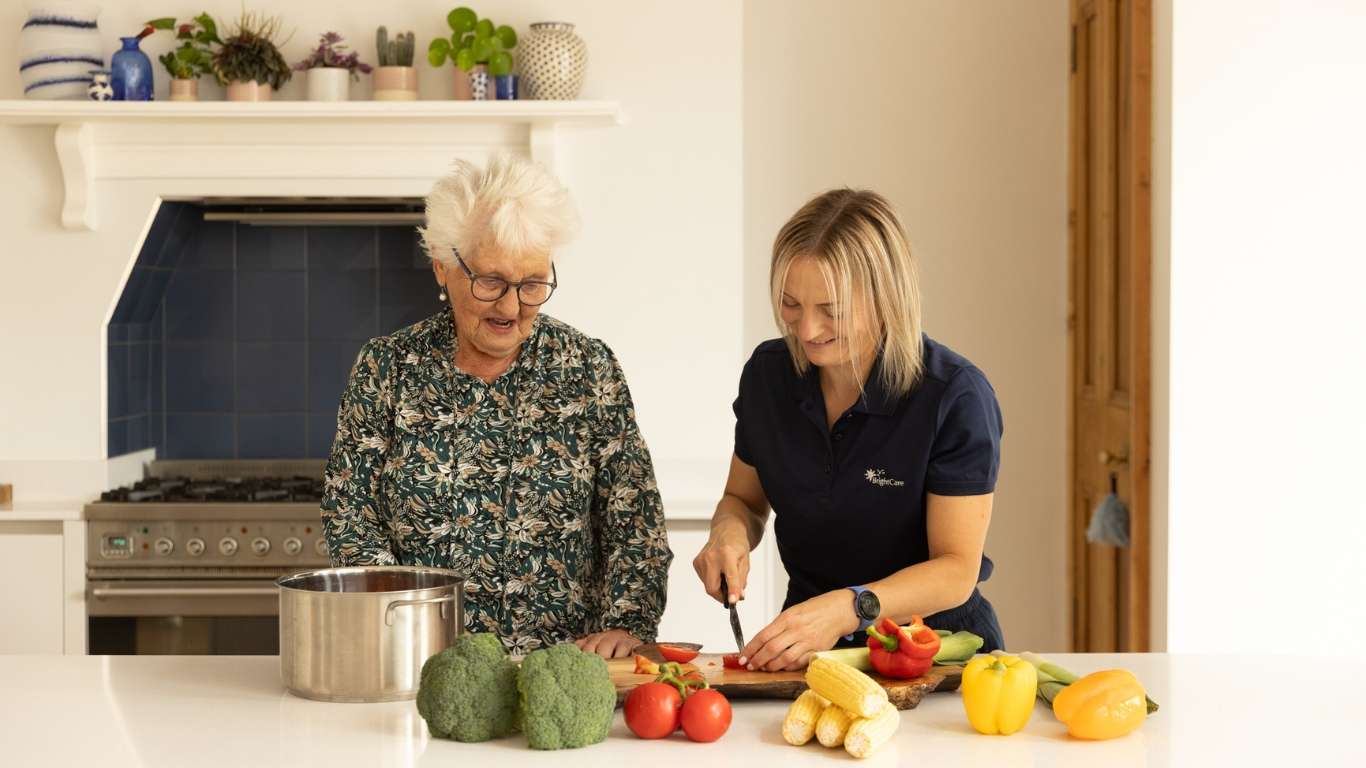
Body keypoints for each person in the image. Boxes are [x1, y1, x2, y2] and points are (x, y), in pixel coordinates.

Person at [320, 155, 672, 658]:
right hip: (424, 664)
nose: (511, 308)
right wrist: (399, 624)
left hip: (565, 669)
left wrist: (626, 623)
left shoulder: (588, 368)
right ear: (443, 267)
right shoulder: (386, 368)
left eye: (532, 284)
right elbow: (351, 513)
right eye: (490, 282)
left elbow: (633, 515)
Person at [693, 188, 1005, 671]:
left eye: (832, 310)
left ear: (887, 299)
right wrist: (727, 535)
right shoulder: (768, 376)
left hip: (935, 651)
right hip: (810, 649)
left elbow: (955, 569)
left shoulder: (954, 396)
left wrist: (847, 610)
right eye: (791, 304)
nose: (807, 329)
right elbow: (745, 501)